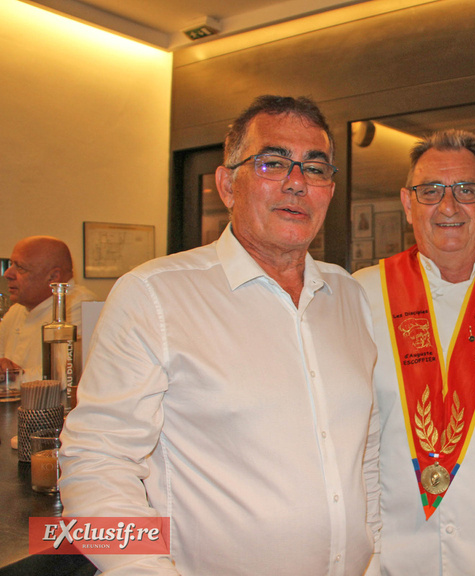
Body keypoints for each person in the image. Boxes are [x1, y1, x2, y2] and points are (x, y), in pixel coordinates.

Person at [59, 95, 380, 575]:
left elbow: (365, 454)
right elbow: (95, 463)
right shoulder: (155, 296)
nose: (297, 183)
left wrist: (374, 556)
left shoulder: (349, 296)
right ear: (228, 184)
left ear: (329, 191)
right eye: (273, 163)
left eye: (315, 169)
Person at [354, 130, 475, 575]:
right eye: (431, 191)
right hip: (386, 558)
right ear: (408, 204)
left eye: (466, 191)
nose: (449, 207)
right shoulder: (359, 295)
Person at [0, 236, 96, 377]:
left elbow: (66, 376)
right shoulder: (17, 310)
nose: (7, 274)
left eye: (19, 267)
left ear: (53, 277)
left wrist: (12, 376)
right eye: (11, 264)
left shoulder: (82, 308)